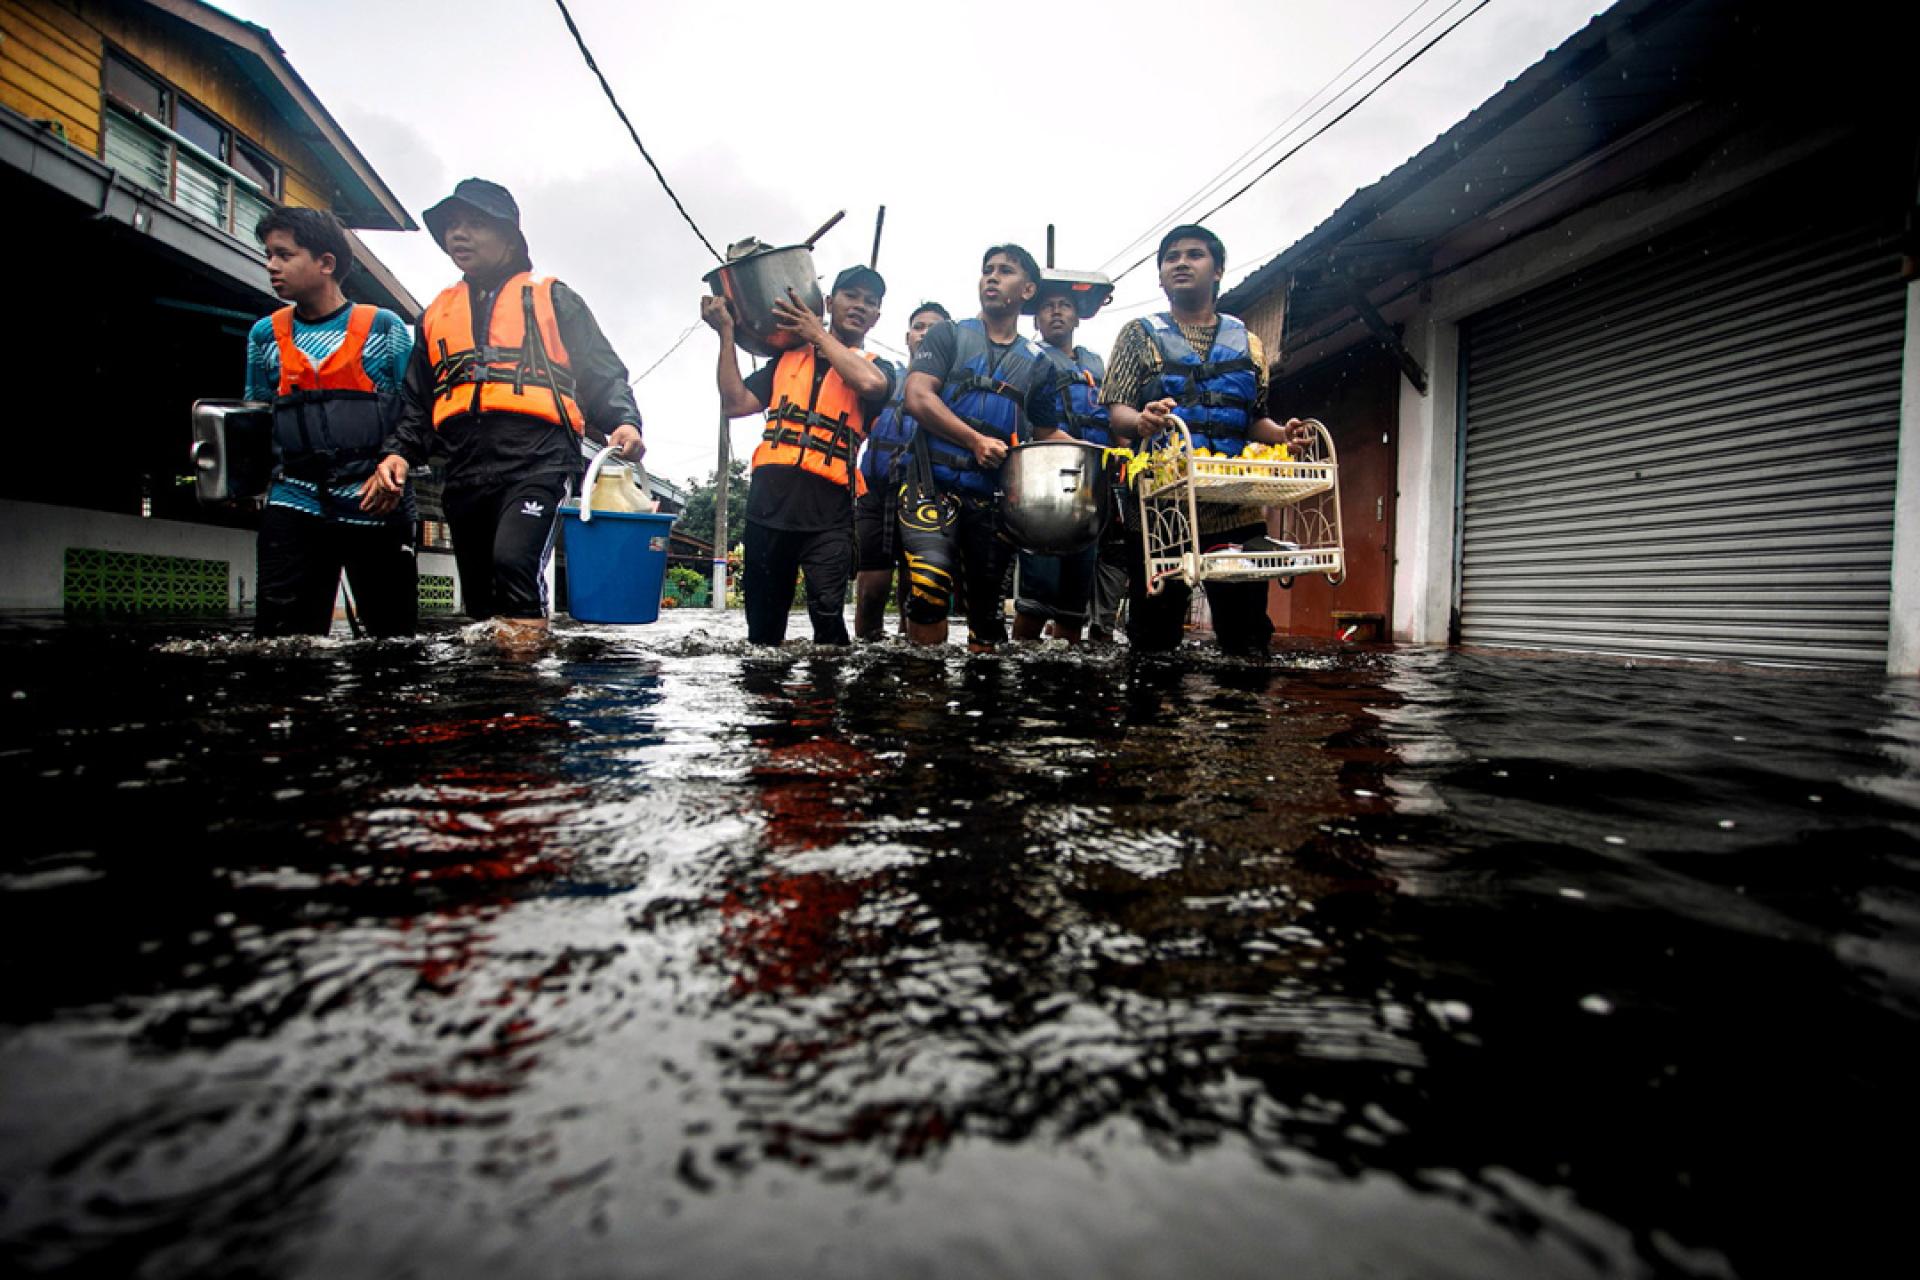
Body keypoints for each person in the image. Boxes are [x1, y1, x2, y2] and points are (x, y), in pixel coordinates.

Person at [361, 179, 643, 641]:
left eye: (474, 223)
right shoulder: (435, 314)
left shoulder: (553, 298)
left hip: (537, 459)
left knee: (512, 563)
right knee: (479, 598)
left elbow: (602, 372)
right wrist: (397, 453)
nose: (458, 235)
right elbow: (416, 400)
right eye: (451, 226)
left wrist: (625, 421)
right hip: (465, 467)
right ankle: (491, 698)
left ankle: (528, 700)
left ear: (509, 236)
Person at [1103, 224, 1314, 657]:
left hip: (1237, 507)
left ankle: (1241, 721)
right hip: (1161, 512)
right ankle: (1152, 724)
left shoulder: (1250, 343)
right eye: (1171, 257)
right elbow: (1115, 411)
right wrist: (1142, 421)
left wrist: (1283, 437)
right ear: (1160, 276)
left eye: (1195, 255)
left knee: (1248, 636)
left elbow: (1253, 420)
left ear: (1217, 271)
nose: (1181, 263)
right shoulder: (1136, 335)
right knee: (1154, 639)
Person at [245, 207, 416, 637]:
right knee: (283, 642)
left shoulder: (385, 328)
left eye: (284, 254)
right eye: (268, 254)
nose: (271, 265)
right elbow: (255, 415)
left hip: (374, 500)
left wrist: (396, 460)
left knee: (391, 642)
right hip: (294, 498)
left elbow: (415, 410)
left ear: (326, 263)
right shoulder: (263, 336)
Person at [702, 266, 893, 646]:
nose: (859, 306)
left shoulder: (877, 367)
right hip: (768, 506)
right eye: (850, 295)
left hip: (830, 514)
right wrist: (726, 334)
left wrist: (818, 334)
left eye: (870, 302)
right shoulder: (786, 359)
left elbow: (871, 385)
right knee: (764, 631)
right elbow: (735, 403)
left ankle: (823, 702)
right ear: (828, 302)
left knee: (827, 616)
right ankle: (766, 700)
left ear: (876, 317)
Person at [900, 245, 1063, 651]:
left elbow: (1046, 434)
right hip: (930, 484)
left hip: (992, 500)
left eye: (1004, 271)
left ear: (1027, 290)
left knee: (988, 617)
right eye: (987, 269)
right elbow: (918, 397)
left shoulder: (1041, 364)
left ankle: (983, 705)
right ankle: (923, 693)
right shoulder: (947, 335)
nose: (992, 277)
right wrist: (973, 441)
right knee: (930, 586)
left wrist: (1106, 455)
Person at [1013, 273, 1113, 645]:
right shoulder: (1027, 360)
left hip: (1089, 491)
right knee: (1037, 596)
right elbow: (1036, 429)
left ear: (1077, 317)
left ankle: (1067, 673)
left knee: (1075, 597)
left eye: (1065, 306)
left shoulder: (1096, 366)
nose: (1056, 312)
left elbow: (1115, 418)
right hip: (1043, 491)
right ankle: (1021, 666)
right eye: (1047, 307)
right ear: (1036, 319)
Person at [853, 301, 948, 641]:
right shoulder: (885, 377)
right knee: (871, 590)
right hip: (876, 494)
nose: (925, 334)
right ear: (907, 336)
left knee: (917, 590)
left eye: (935, 329)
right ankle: (867, 658)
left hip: (926, 495)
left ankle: (912, 666)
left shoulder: (951, 391)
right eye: (919, 326)